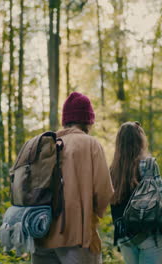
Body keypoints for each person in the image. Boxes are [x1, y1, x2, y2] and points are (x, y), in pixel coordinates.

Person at [32, 92, 114, 264]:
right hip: (78, 236)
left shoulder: (45, 144)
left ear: (65, 119)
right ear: (88, 120)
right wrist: (93, 216)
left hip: (41, 232)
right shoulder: (90, 144)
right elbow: (104, 191)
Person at [110, 122, 162, 264]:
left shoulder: (113, 170)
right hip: (150, 235)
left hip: (125, 238)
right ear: (140, 140)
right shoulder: (148, 164)